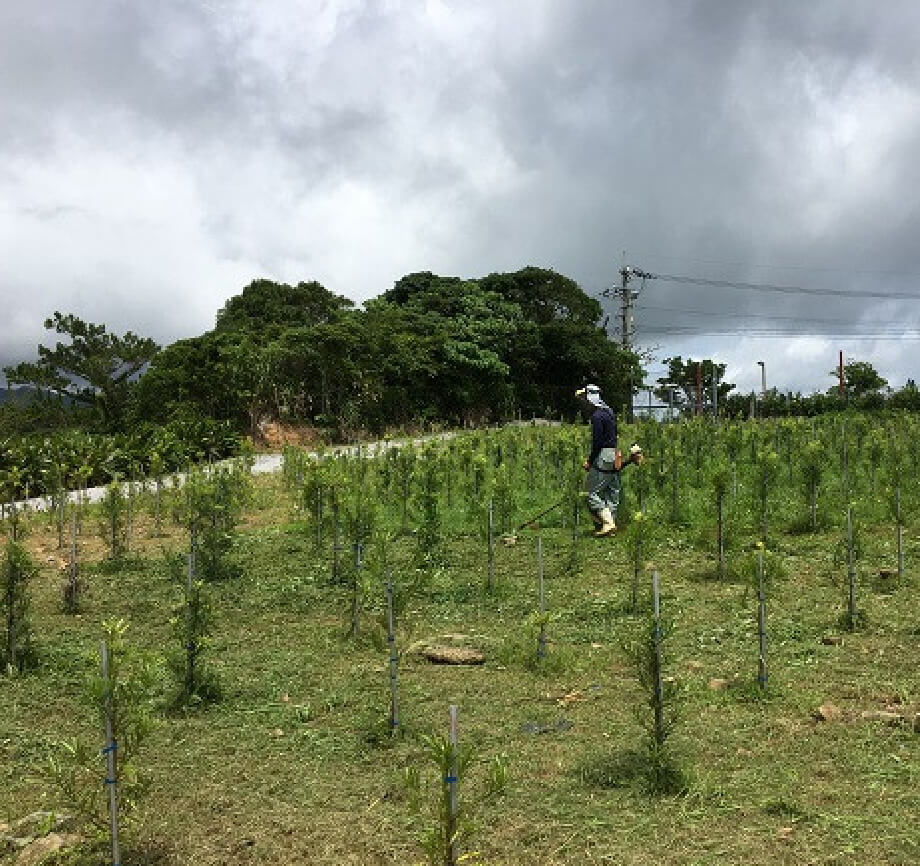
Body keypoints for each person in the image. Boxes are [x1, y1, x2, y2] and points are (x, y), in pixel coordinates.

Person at [575, 383, 620, 536]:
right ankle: (609, 529)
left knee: (591, 493)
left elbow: (597, 442)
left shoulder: (596, 416)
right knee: (611, 491)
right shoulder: (610, 412)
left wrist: (589, 460)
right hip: (614, 453)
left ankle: (608, 523)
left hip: (603, 455)